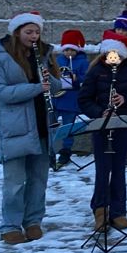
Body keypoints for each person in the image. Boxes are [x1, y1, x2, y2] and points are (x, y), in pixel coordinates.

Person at [0, 12, 62, 245]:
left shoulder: (42, 55)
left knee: (38, 180)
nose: (33, 36)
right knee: (14, 182)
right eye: (28, 32)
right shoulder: (1, 59)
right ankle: (10, 226)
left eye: (37, 32)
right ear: (17, 32)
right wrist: (34, 88)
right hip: (16, 129)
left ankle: (33, 222)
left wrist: (49, 77)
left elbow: (56, 87)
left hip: (42, 126)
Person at [78, 30, 127, 230]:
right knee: (103, 169)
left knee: (119, 169)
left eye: (118, 54)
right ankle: (100, 210)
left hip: (122, 124)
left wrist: (126, 99)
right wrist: (99, 112)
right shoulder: (96, 70)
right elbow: (84, 100)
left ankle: (118, 211)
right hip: (102, 125)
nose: (114, 58)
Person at [54, 29, 89, 168]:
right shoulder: (58, 60)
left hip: (71, 99)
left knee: (68, 127)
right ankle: (49, 149)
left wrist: (76, 78)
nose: (68, 53)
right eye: (66, 50)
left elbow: (85, 79)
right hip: (56, 98)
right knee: (50, 125)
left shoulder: (83, 62)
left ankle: (66, 151)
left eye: (72, 50)